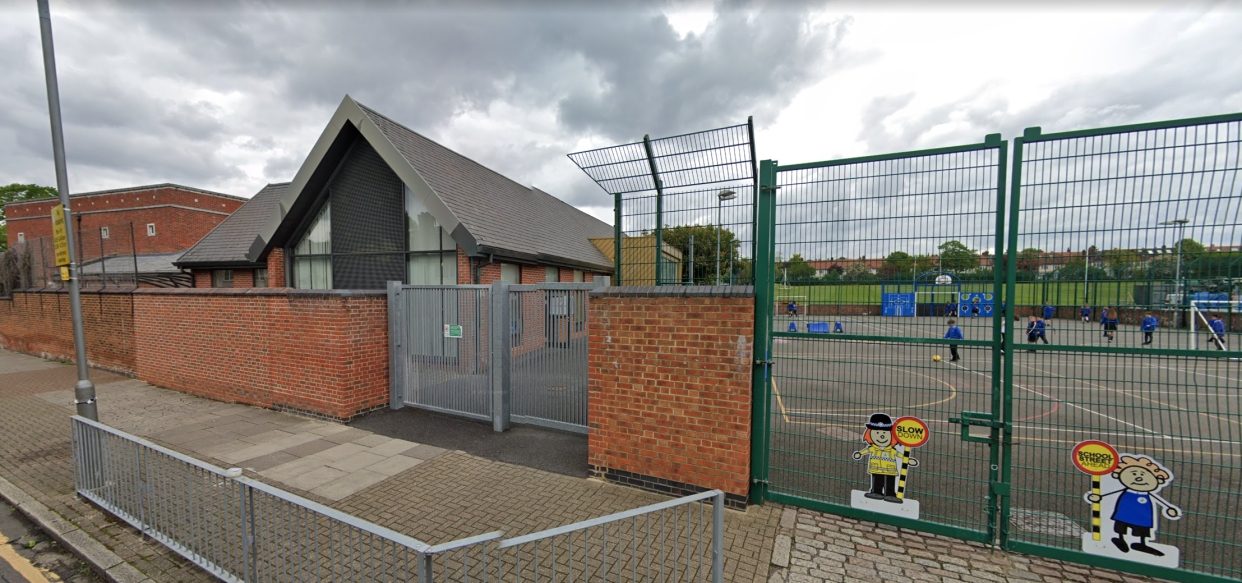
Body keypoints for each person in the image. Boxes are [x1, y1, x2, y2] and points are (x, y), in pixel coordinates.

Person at [1086, 455, 1181, 556]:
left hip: (1142, 513)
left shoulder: (1146, 493)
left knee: (1142, 527)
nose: (1139, 477)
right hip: (1124, 510)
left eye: (1143, 474)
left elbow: (1160, 500)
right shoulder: (1127, 491)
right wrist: (1098, 497)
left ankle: (1142, 544)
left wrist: (1168, 508)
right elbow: (1111, 493)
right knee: (1121, 524)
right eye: (1134, 474)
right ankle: (1120, 539)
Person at [852, 413, 915, 504]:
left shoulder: (891, 450)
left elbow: (898, 454)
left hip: (890, 469)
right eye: (877, 433)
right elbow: (866, 450)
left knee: (890, 481)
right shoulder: (874, 447)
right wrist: (859, 454)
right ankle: (876, 492)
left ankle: (890, 494)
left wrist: (908, 460)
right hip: (876, 468)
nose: (881, 436)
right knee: (877, 480)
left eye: (885, 433)